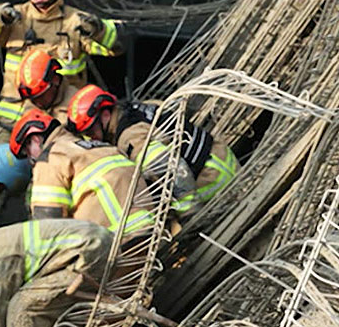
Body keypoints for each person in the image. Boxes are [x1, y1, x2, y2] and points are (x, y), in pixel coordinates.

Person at [0, 0, 123, 141]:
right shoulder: (14, 18)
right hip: (15, 118)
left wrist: (99, 30)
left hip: (64, 121)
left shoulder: (76, 22)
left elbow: (118, 45)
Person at [65, 85, 238, 216]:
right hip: (225, 161)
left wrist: (188, 214)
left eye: (90, 131)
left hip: (214, 185)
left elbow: (172, 169)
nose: (91, 138)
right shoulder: (143, 108)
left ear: (105, 114)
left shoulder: (130, 137)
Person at [12, 108, 157, 239]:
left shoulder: (50, 158)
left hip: (116, 247)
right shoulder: (99, 146)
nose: (30, 159)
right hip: (152, 231)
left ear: (35, 140)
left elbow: (47, 225)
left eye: (27, 152)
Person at [15, 47, 77, 124]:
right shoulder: (31, 105)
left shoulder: (76, 106)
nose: (38, 103)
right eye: (34, 99)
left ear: (55, 80)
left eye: (41, 97)